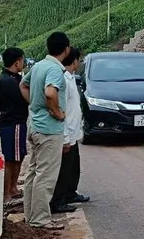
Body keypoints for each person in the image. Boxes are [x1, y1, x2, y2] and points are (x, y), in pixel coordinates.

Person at [20, 32, 70, 230]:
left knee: (34, 172)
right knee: (46, 175)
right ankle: (40, 219)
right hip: (49, 129)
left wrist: (35, 105)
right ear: (66, 49)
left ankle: (30, 215)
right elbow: (51, 92)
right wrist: (57, 112)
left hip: (34, 124)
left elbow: (23, 85)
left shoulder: (39, 65)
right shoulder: (55, 69)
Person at [50, 47, 90, 213]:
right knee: (64, 169)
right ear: (74, 61)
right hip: (67, 132)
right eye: (78, 60)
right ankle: (58, 200)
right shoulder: (63, 81)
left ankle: (70, 192)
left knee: (73, 166)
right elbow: (61, 108)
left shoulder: (72, 78)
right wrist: (65, 136)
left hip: (74, 131)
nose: (79, 63)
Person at [0, 47, 29, 206]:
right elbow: (24, 99)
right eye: (22, 61)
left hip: (16, 123)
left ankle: (13, 188)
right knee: (11, 159)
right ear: (17, 62)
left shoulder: (12, 78)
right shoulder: (8, 81)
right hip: (13, 123)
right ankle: (7, 192)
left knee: (19, 156)